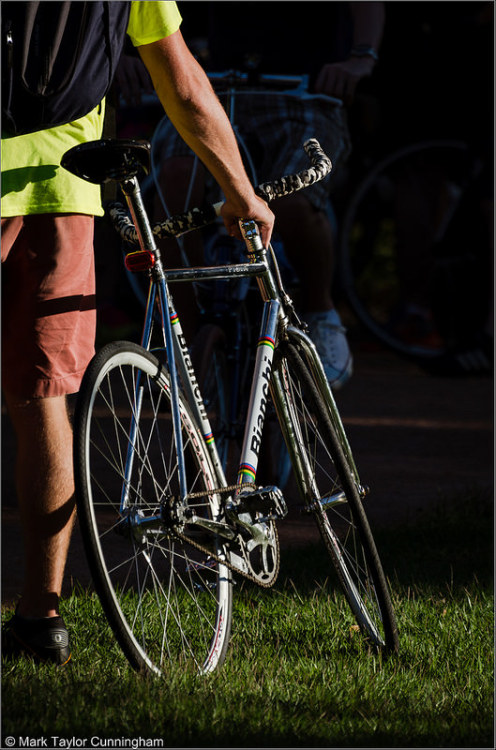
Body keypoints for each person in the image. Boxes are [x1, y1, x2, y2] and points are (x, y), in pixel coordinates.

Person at [1, 0, 273, 665]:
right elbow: (181, 81)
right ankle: (42, 617)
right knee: (45, 402)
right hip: (60, 187)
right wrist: (240, 191)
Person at [147, 1, 384, 388]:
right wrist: (126, 56)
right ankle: (182, 339)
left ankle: (321, 310)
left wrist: (361, 58)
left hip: (304, 95)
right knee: (175, 178)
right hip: (215, 92)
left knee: (292, 200)